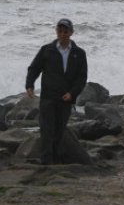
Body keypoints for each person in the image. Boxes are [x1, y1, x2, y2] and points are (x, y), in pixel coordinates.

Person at [25, 18, 88, 165]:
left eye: (66, 31)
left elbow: (82, 77)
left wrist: (72, 93)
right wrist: (29, 85)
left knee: (59, 130)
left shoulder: (79, 53)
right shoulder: (47, 50)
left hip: (66, 99)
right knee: (47, 130)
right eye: (60, 31)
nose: (63, 34)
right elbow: (34, 68)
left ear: (71, 32)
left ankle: (57, 159)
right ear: (56, 32)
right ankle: (47, 162)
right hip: (48, 97)